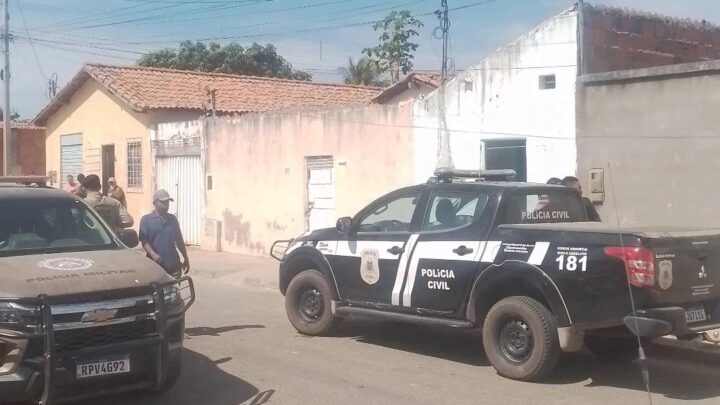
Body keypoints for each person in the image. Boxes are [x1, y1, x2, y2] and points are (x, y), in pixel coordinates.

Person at [139, 190, 190, 278]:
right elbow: (144, 241)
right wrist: (153, 255)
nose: (166, 205)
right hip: (154, 266)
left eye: (167, 202)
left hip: (173, 266)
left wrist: (186, 258)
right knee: (157, 291)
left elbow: (179, 241)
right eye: (163, 202)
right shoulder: (146, 219)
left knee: (174, 290)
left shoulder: (172, 219)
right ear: (154, 203)